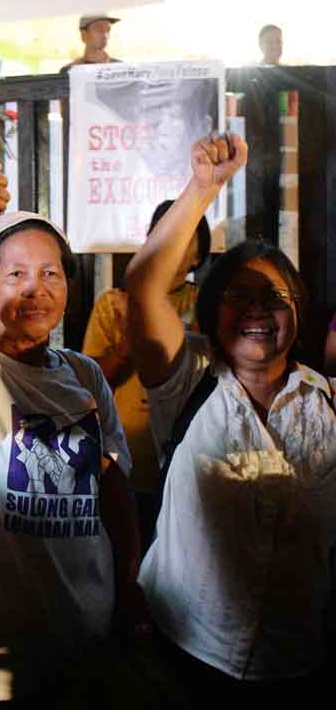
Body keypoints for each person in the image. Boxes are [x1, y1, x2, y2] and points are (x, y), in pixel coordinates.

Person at [0, 156, 142, 703]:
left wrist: (130, 593)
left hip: (80, 646)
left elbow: (114, 493)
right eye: (15, 274)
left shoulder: (84, 373)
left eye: (50, 273)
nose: (34, 289)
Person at [125, 133, 336, 694]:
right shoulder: (188, 379)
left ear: (298, 312)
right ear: (212, 312)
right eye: (237, 296)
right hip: (183, 656)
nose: (257, 311)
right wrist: (202, 188)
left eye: (275, 297)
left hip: (297, 665)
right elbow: (143, 288)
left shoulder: (329, 403)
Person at [82, 200, 209, 519]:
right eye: (164, 232)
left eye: (185, 234)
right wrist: (126, 346)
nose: (172, 242)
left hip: (188, 458)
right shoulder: (113, 304)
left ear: (198, 255)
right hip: (121, 459)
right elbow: (87, 385)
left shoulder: (208, 306)